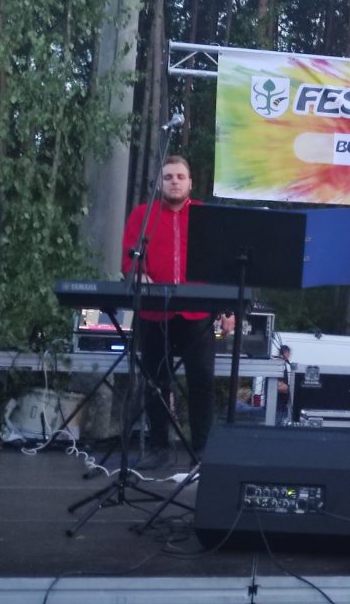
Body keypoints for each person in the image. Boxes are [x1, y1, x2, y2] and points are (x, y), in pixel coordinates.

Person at [121, 155, 216, 470]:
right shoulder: (142, 214)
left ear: (190, 183)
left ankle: (203, 450)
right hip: (154, 314)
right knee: (154, 380)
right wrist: (139, 275)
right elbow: (128, 260)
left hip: (196, 314)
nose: (174, 182)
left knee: (201, 380)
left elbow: (222, 266)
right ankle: (158, 447)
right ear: (159, 183)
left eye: (180, 177)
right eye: (168, 177)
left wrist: (227, 309)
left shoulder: (205, 215)